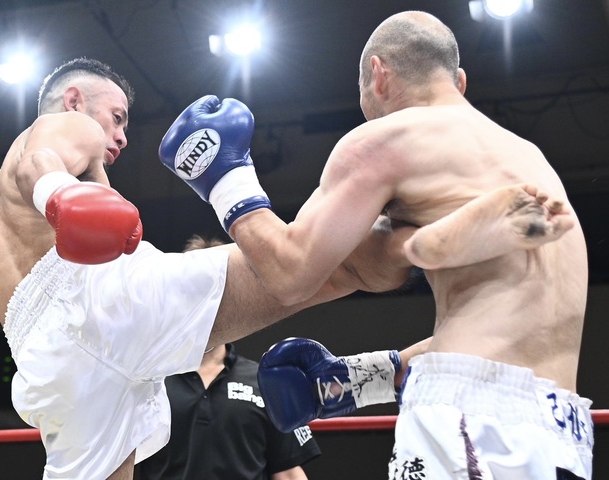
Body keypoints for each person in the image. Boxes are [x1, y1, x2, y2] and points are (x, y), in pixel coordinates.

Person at [0, 57, 514, 480]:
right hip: (103, 304)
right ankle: (444, 233)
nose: (121, 136)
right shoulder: (67, 127)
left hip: (47, 370)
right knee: (327, 264)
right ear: (73, 100)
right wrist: (60, 196)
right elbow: (39, 163)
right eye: (117, 118)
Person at [158, 10, 591, 480]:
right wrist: (361, 378)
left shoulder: (386, 138)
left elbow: (289, 273)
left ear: (379, 75)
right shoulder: (531, 160)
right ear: (459, 81)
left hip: (466, 419)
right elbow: (505, 341)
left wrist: (226, 180)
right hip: (562, 427)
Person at [135, 234, 321, 480]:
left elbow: (286, 472)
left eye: (214, 290)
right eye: (195, 291)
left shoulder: (265, 382)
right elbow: (123, 465)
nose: (205, 303)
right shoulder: (148, 380)